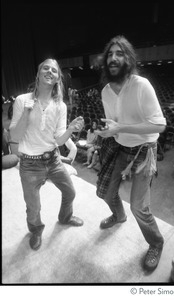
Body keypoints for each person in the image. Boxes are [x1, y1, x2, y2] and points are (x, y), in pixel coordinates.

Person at [95, 35, 166, 272]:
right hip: (120, 148)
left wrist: (120, 128)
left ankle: (156, 242)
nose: (113, 58)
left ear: (128, 58)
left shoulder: (141, 85)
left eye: (119, 53)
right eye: (110, 54)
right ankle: (118, 215)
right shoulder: (105, 91)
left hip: (145, 151)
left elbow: (159, 126)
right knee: (105, 192)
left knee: (140, 207)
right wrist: (105, 133)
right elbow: (114, 125)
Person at [9, 58, 84, 251]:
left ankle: (65, 217)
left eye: (54, 70)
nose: (50, 71)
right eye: (46, 68)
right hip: (29, 164)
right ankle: (36, 230)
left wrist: (70, 129)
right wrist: (27, 112)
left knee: (70, 191)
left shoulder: (61, 106)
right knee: (33, 207)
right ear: (38, 74)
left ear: (58, 78)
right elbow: (15, 137)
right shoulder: (21, 100)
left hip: (53, 159)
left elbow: (59, 140)